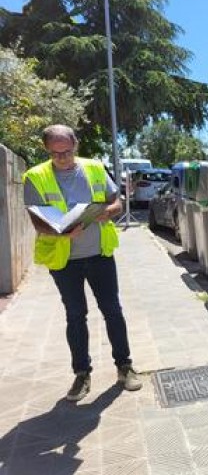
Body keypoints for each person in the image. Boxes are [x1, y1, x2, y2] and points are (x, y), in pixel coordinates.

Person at [23, 125, 142, 401]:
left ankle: (125, 367)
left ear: (76, 144)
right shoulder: (35, 177)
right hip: (64, 260)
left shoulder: (94, 168)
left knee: (112, 309)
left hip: (99, 254)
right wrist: (61, 232)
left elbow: (117, 202)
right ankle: (82, 375)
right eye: (56, 153)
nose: (62, 157)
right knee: (75, 315)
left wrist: (108, 212)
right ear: (47, 150)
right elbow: (36, 220)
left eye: (67, 151)